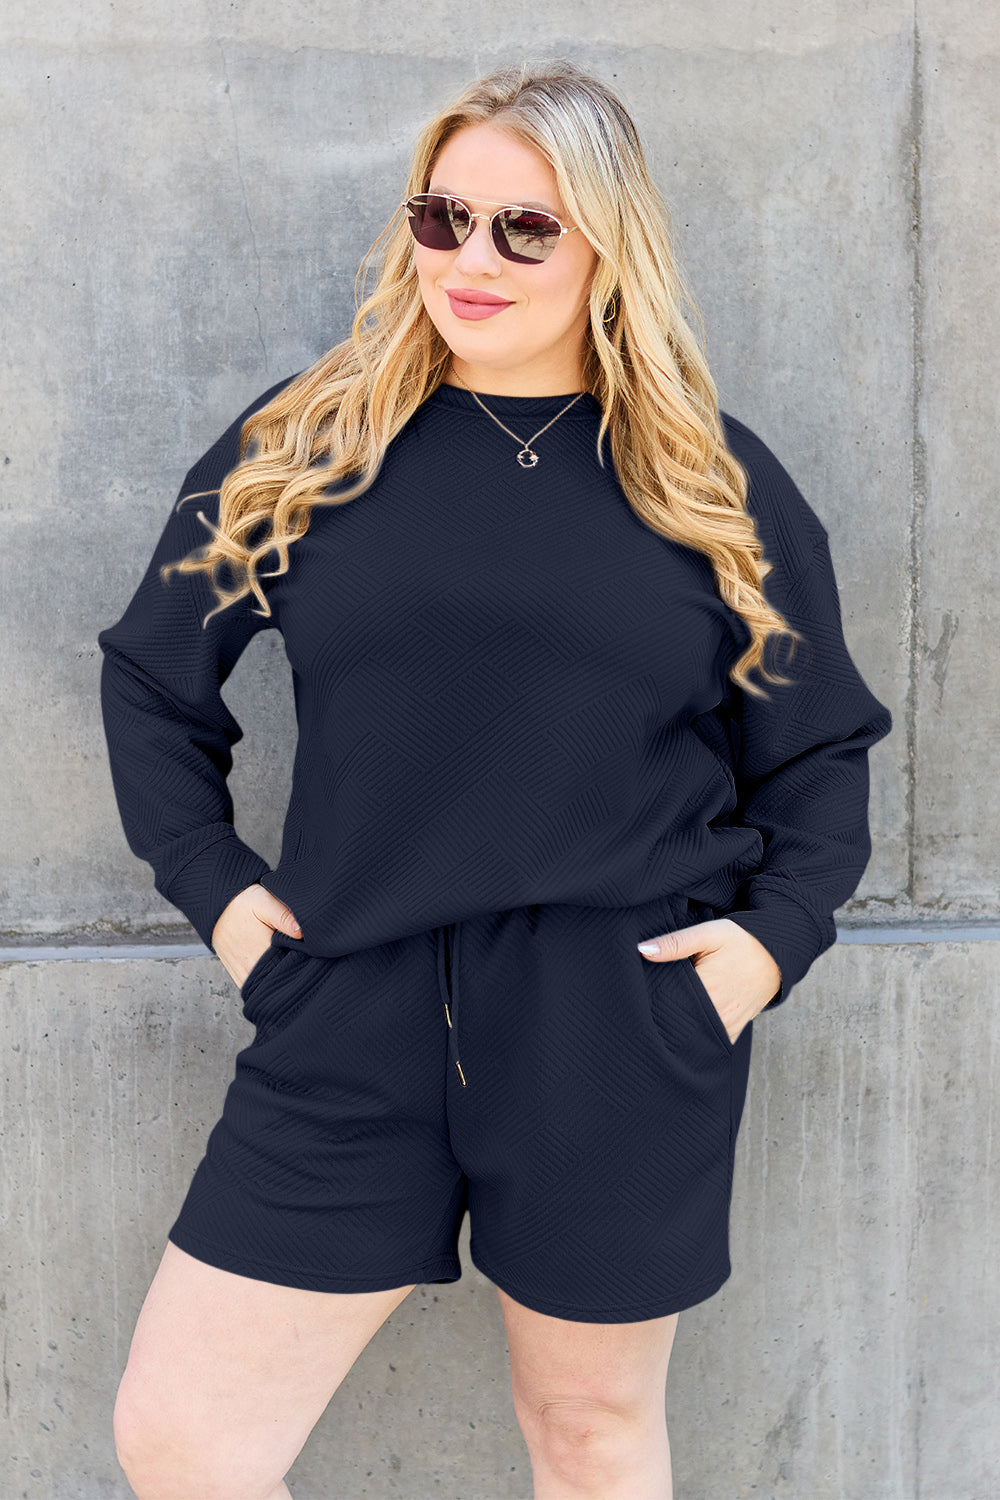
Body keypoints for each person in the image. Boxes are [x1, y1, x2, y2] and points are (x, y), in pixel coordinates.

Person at [97, 57, 892, 1500]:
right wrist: (217, 895)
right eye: (443, 216)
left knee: (587, 1443)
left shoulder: (705, 476)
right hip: (347, 1008)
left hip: (617, 1015)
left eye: (526, 227)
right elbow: (153, 676)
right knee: (185, 1443)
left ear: (605, 242)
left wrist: (760, 956)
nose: (473, 259)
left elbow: (820, 751)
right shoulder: (310, 441)